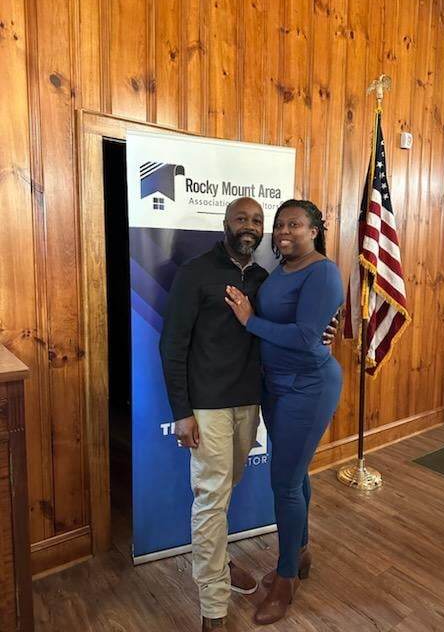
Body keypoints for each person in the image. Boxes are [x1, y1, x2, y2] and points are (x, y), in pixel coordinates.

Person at [160, 197, 338, 631]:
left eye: (259, 220)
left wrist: (321, 333)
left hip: (265, 397)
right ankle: (215, 605)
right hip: (217, 403)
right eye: (242, 218)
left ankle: (280, 565)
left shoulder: (267, 275)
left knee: (271, 483)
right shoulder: (199, 272)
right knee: (217, 497)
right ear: (225, 223)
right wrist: (182, 411)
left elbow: (302, 329)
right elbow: (173, 344)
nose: (254, 226)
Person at [225, 198, 344, 625]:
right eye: (279, 225)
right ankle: (302, 550)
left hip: (308, 387)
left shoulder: (322, 271)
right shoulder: (283, 268)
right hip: (275, 386)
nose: (283, 232)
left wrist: (249, 320)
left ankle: (286, 578)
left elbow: (308, 338)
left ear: (314, 230)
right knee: (295, 476)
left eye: (294, 225)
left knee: (285, 484)